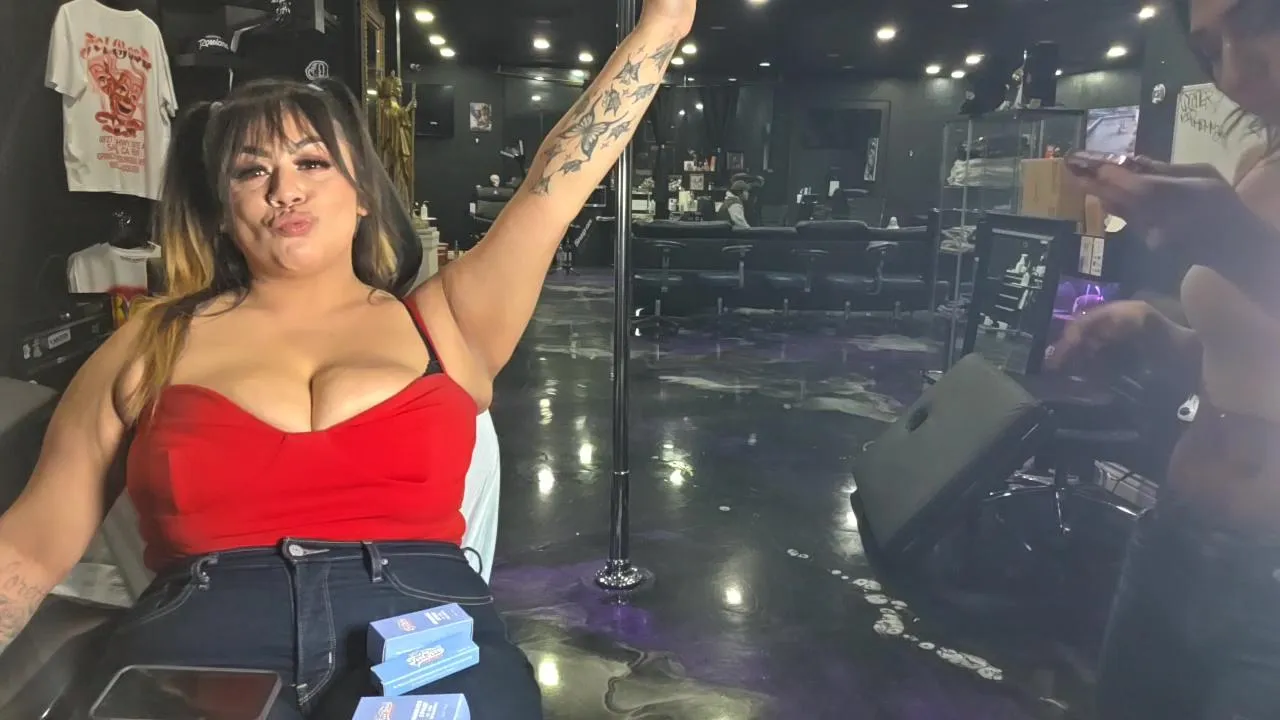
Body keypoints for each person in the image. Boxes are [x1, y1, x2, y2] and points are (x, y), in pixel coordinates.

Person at [0, 2, 696, 717]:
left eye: (311, 162)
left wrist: (664, 24)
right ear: (221, 212)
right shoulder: (151, 342)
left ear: (363, 193)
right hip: (202, 647)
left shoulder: (445, 323)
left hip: (422, 633)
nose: (285, 190)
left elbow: (554, 186)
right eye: (252, 171)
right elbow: (30, 546)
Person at [1053, 1, 1280, 717]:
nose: (1235, 74)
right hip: (1179, 535)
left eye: (1261, 21)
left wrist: (1239, 245)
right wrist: (1156, 332)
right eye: (1211, 49)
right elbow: (1245, 368)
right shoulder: (1263, 165)